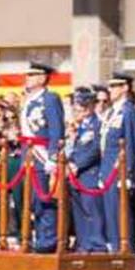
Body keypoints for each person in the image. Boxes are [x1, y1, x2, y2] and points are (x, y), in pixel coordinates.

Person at [20, 63, 65, 253]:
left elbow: (56, 129)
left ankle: (48, 239)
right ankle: (39, 236)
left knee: (44, 198)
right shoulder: (29, 100)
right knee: (33, 201)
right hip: (29, 154)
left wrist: (53, 157)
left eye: (32, 75)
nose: (27, 78)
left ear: (42, 78)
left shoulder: (50, 99)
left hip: (43, 154)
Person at [100, 72, 135, 253]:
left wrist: (129, 173)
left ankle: (125, 249)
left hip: (119, 168)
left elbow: (131, 143)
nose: (110, 90)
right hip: (108, 167)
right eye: (110, 86)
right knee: (110, 211)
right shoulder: (112, 111)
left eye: (114, 86)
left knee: (121, 212)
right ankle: (115, 246)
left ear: (125, 88)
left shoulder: (128, 111)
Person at [67, 87, 106, 253]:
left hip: (89, 173)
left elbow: (96, 149)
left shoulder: (97, 125)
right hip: (76, 175)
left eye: (81, 108)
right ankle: (83, 243)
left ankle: (97, 244)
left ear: (90, 107)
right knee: (79, 212)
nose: (78, 111)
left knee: (92, 211)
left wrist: (78, 165)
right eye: (77, 108)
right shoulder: (79, 126)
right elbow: (75, 148)